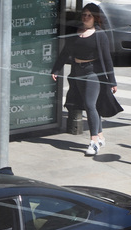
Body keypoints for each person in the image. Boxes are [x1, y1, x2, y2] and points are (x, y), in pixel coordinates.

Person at [51, 3, 121, 156]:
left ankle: (94, 141)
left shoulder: (99, 35)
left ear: (95, 18)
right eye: (84, 14)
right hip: (77, 72)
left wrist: (112, 81)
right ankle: (101, 135)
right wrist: (56, 69)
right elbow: (65, 53)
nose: (86, 17)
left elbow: (107, 60)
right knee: (91, 105)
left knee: (89, 105)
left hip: (92, 73)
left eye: (89, 15)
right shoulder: (75, 33)